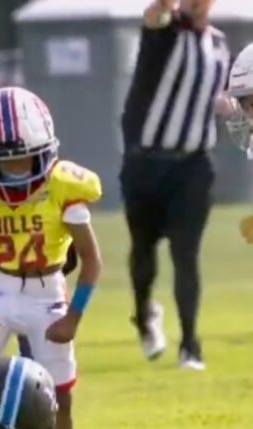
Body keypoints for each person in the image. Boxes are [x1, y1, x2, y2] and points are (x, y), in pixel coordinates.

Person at [0, 86, 103, 429]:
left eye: (25, 160)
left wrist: (74, 316)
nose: (16, 171)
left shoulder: (64, 186)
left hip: (48, 293)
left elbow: (92, 260)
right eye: (5, 163)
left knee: (58, 396)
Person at [119, 0, 231, 369]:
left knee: (186, 256)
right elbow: (155, 14)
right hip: (145, 162)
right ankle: (144, 314)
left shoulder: (217, 43)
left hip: (193, 166)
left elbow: (217, 100)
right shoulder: (165, 30)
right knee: (143, 256)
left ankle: (190, 344)